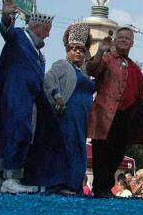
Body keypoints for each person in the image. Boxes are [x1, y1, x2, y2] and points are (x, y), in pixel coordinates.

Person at [23, 22, 95, 195]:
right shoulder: (63, 65)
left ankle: (74, 185)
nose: (77, 52)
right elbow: (49, 79)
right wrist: (57, 97)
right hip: (66, 116)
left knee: (78, 150)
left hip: (81, 119)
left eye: (81, 49)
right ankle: (60, 184)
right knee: (66, 148)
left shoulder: (84, 72)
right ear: (67, 50)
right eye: (73, 48)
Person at [0, 0, 53, 193]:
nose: (48, 35)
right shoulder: (19, 37)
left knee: (23, 134)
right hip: (15, 98)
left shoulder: (38, 53)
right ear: (37, 27)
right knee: (14, 133)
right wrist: (5, 16)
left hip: (29, 101)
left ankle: (7, 177)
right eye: (47, 30)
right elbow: (7, 31)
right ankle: (9, 178)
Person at [86, 27, 143, 198]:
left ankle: (106, 187)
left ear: (132, 43)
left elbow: (140, 94)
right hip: (104, 116)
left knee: (117, 154)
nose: (124, 40)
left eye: (127, 38)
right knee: (101, 152)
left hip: (124, 118)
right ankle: (99, 188)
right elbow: (91, 69)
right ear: (115, 40)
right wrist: (100, 51)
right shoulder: (106, 58)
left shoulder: (135, 68)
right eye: (121, 37)